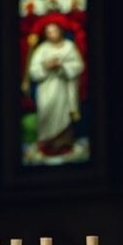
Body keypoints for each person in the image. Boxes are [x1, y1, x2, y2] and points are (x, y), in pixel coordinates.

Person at [27, 22, 84, 154]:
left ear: (60, 31)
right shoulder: (42, 49)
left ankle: (64, 144)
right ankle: (47, 145)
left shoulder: (69, 47)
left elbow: (78, 65)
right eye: (49, 32)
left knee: (63, 115)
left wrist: (62, 66)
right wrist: (46, 67)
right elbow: (33, 70)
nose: (52, 34)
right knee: (46, 113)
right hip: (46, 89)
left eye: (54, 31)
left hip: (64, 88)